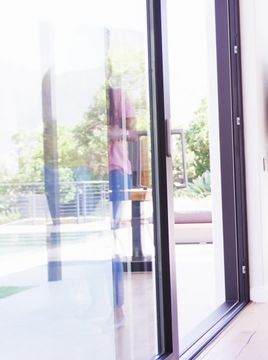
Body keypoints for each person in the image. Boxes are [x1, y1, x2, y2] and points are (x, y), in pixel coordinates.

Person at [107, 82, 137, 328]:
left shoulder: (118, 95)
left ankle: (117, 307)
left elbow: (132, 133)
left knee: (110, 242)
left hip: (115, 172)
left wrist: (115, 134)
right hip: (89, 172)